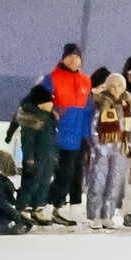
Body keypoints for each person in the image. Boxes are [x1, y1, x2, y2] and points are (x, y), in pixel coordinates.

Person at [45, 43, 94, 225]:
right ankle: (50, 203)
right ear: (63, 58)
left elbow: (88, 107)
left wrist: (86, 133)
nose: (74, 60)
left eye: (77, 57)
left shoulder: (85, 80)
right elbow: (43, 101)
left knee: (75, 171)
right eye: (70, 56)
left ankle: (64, 206)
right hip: (60, 131)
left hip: (79, 132)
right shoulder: (52, 78)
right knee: (61, 171)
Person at [81, 72, 131, 230]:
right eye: (112, 85)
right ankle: (94, 215)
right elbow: (93, 124)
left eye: (119, 85)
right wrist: (97, 144)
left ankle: (107, 215)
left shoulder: (127, 105)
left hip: (120, 149)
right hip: (103, 149)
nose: (116, 89)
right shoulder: (100, 102)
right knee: (98, 182)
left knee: (114, 183)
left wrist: (129, 143)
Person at [10, 83, 59, 228]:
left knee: (44, 183)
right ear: (40, 103)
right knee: (31, 182)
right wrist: (29, 157)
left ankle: (39, 206)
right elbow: (28, 141)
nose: (52, 104)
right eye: (49, 101)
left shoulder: (50, 119)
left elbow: (52, 139)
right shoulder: (32, 119)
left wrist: (55, 155)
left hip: (48, 157)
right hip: (36, 158)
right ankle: (23, 206)